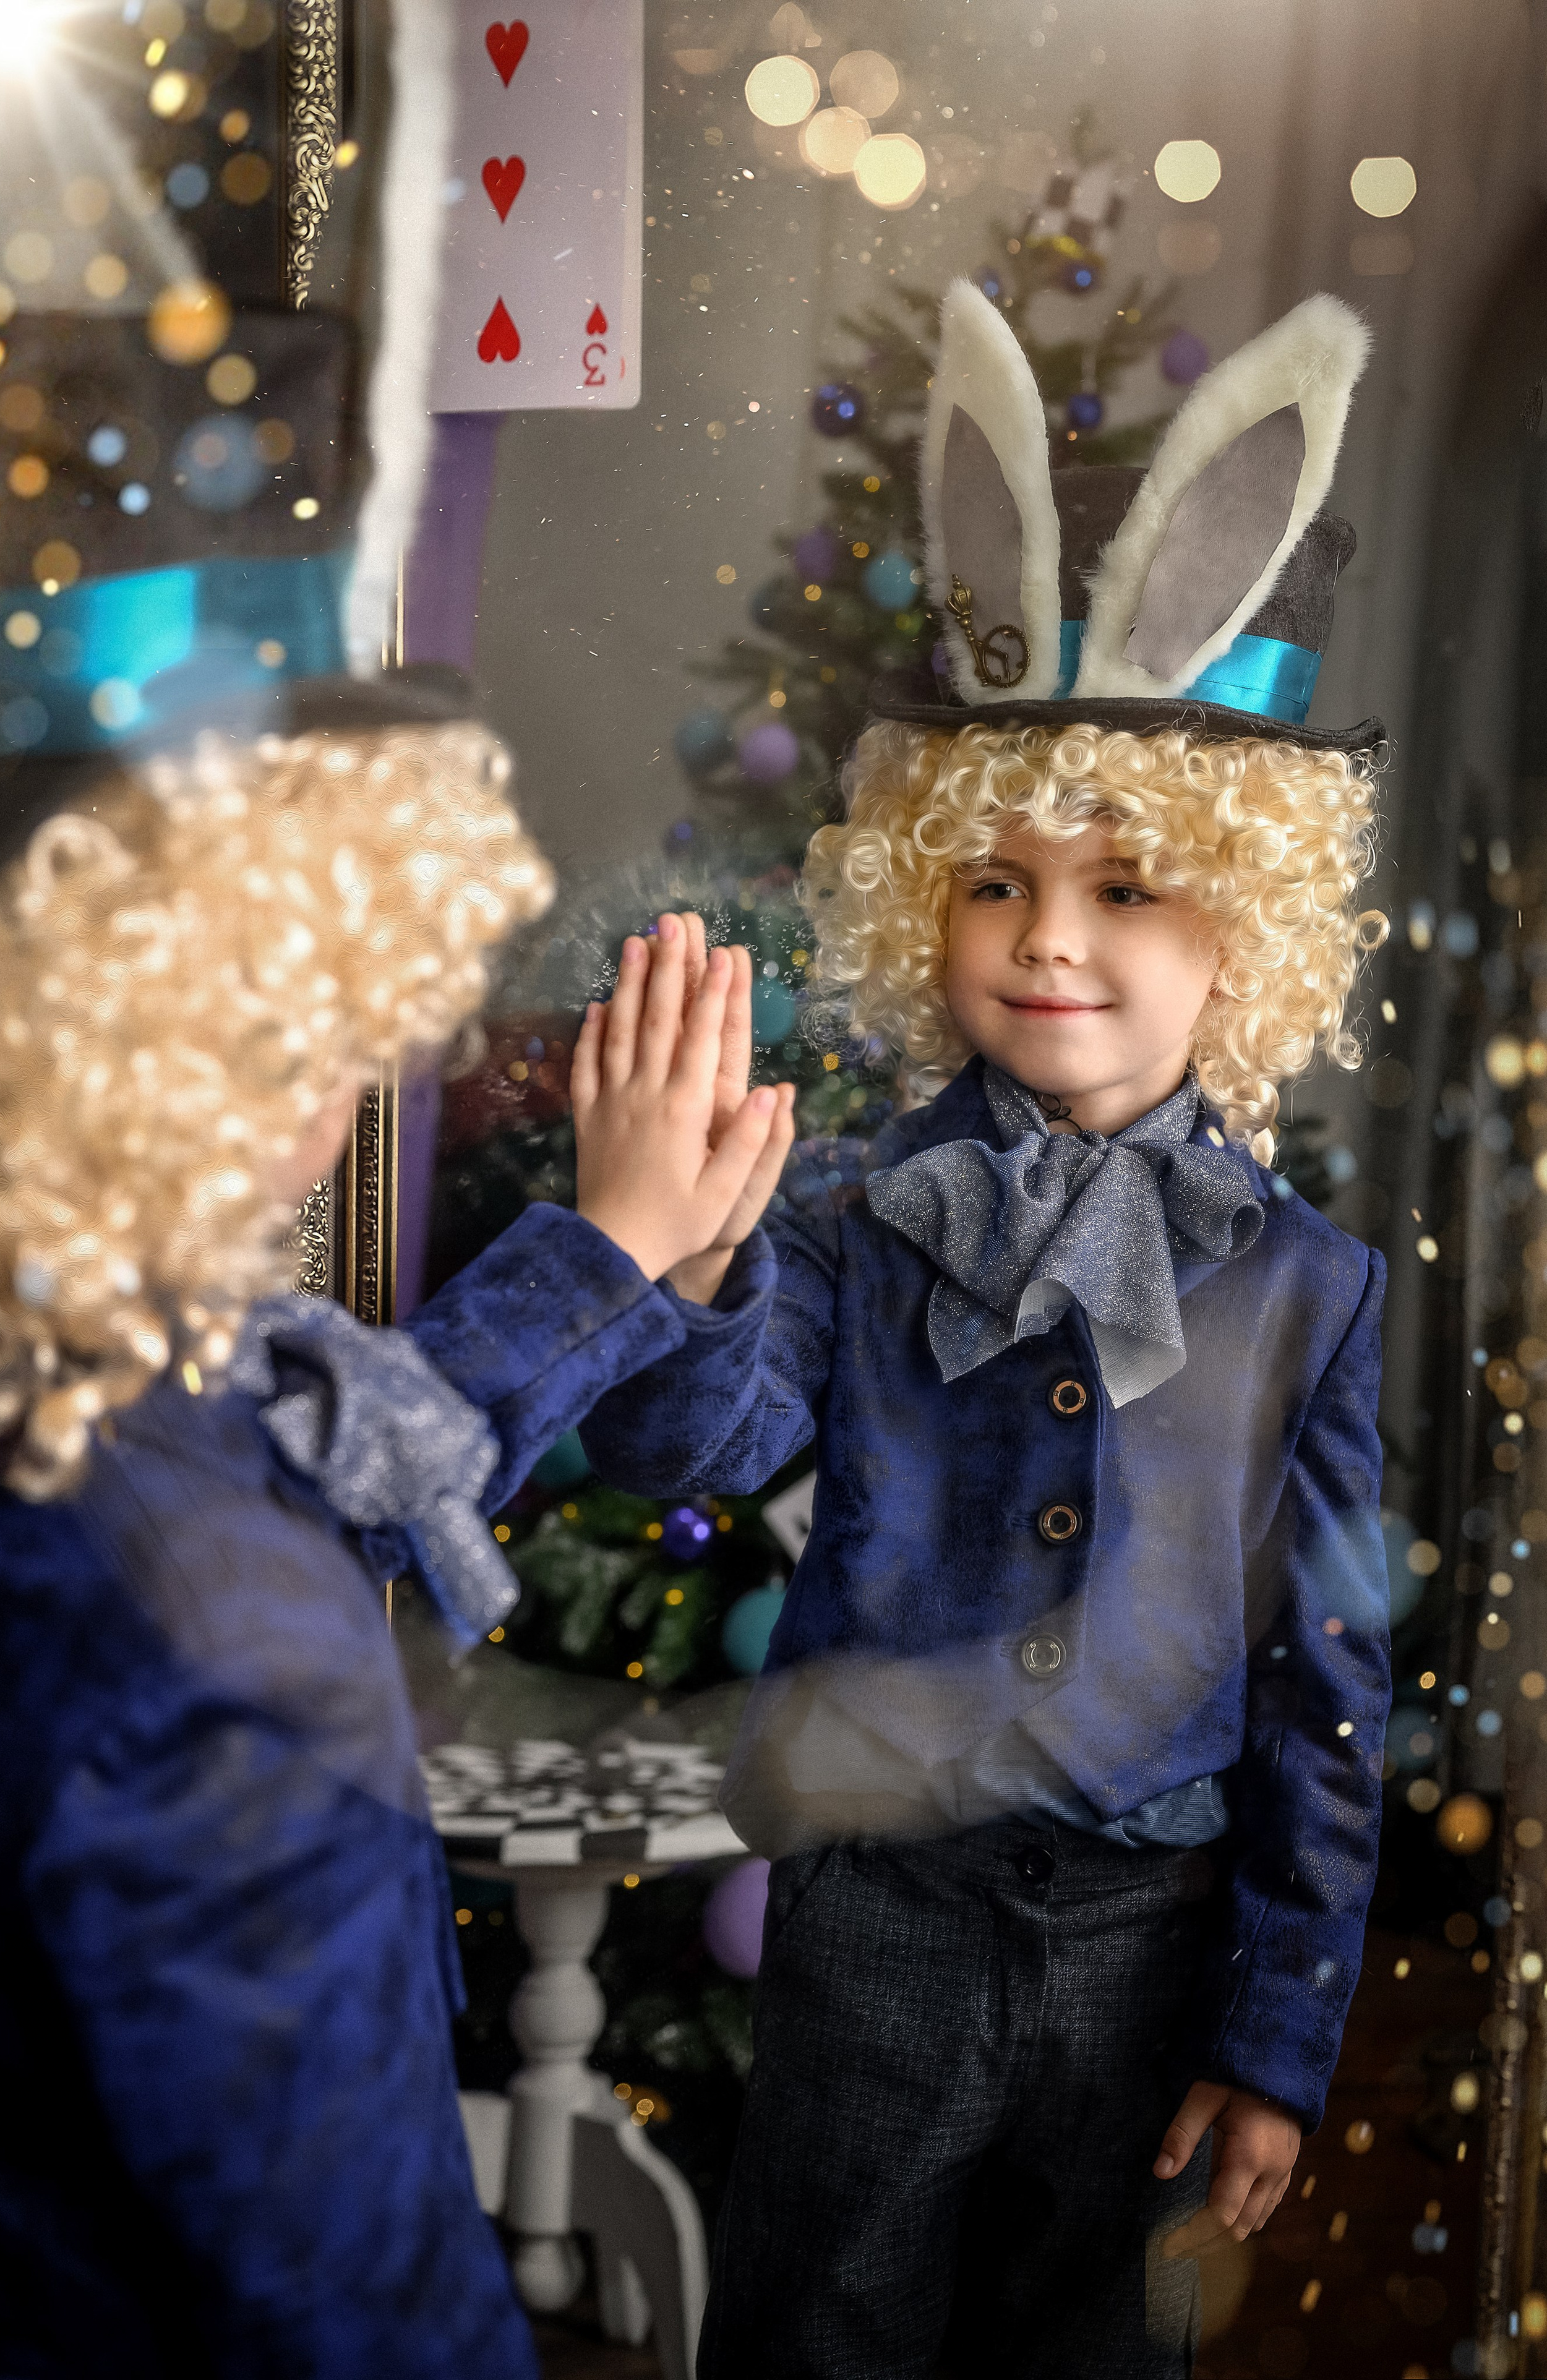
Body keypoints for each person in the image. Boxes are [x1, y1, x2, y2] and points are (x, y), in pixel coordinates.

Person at [576, 285, 1392, 2377]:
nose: (1051, 937)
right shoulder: (849, 1221)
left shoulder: (1311, 1284)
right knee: (816, 2335)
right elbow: (682, 1456)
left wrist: (1279, 2033)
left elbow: (1328, 1682)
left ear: (1252, 931)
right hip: (880, 1924)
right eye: (997, 884)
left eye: (1128, 888)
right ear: (913, 904)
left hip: (1157, 1943)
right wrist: (669, 1263)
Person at [0, 685, 792, 2377]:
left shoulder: (60, 1396)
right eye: (327, 1034)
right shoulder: (206, 1604)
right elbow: (346, 2277)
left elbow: (340, 1458)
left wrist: (622, 1253)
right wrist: (612, 1247)